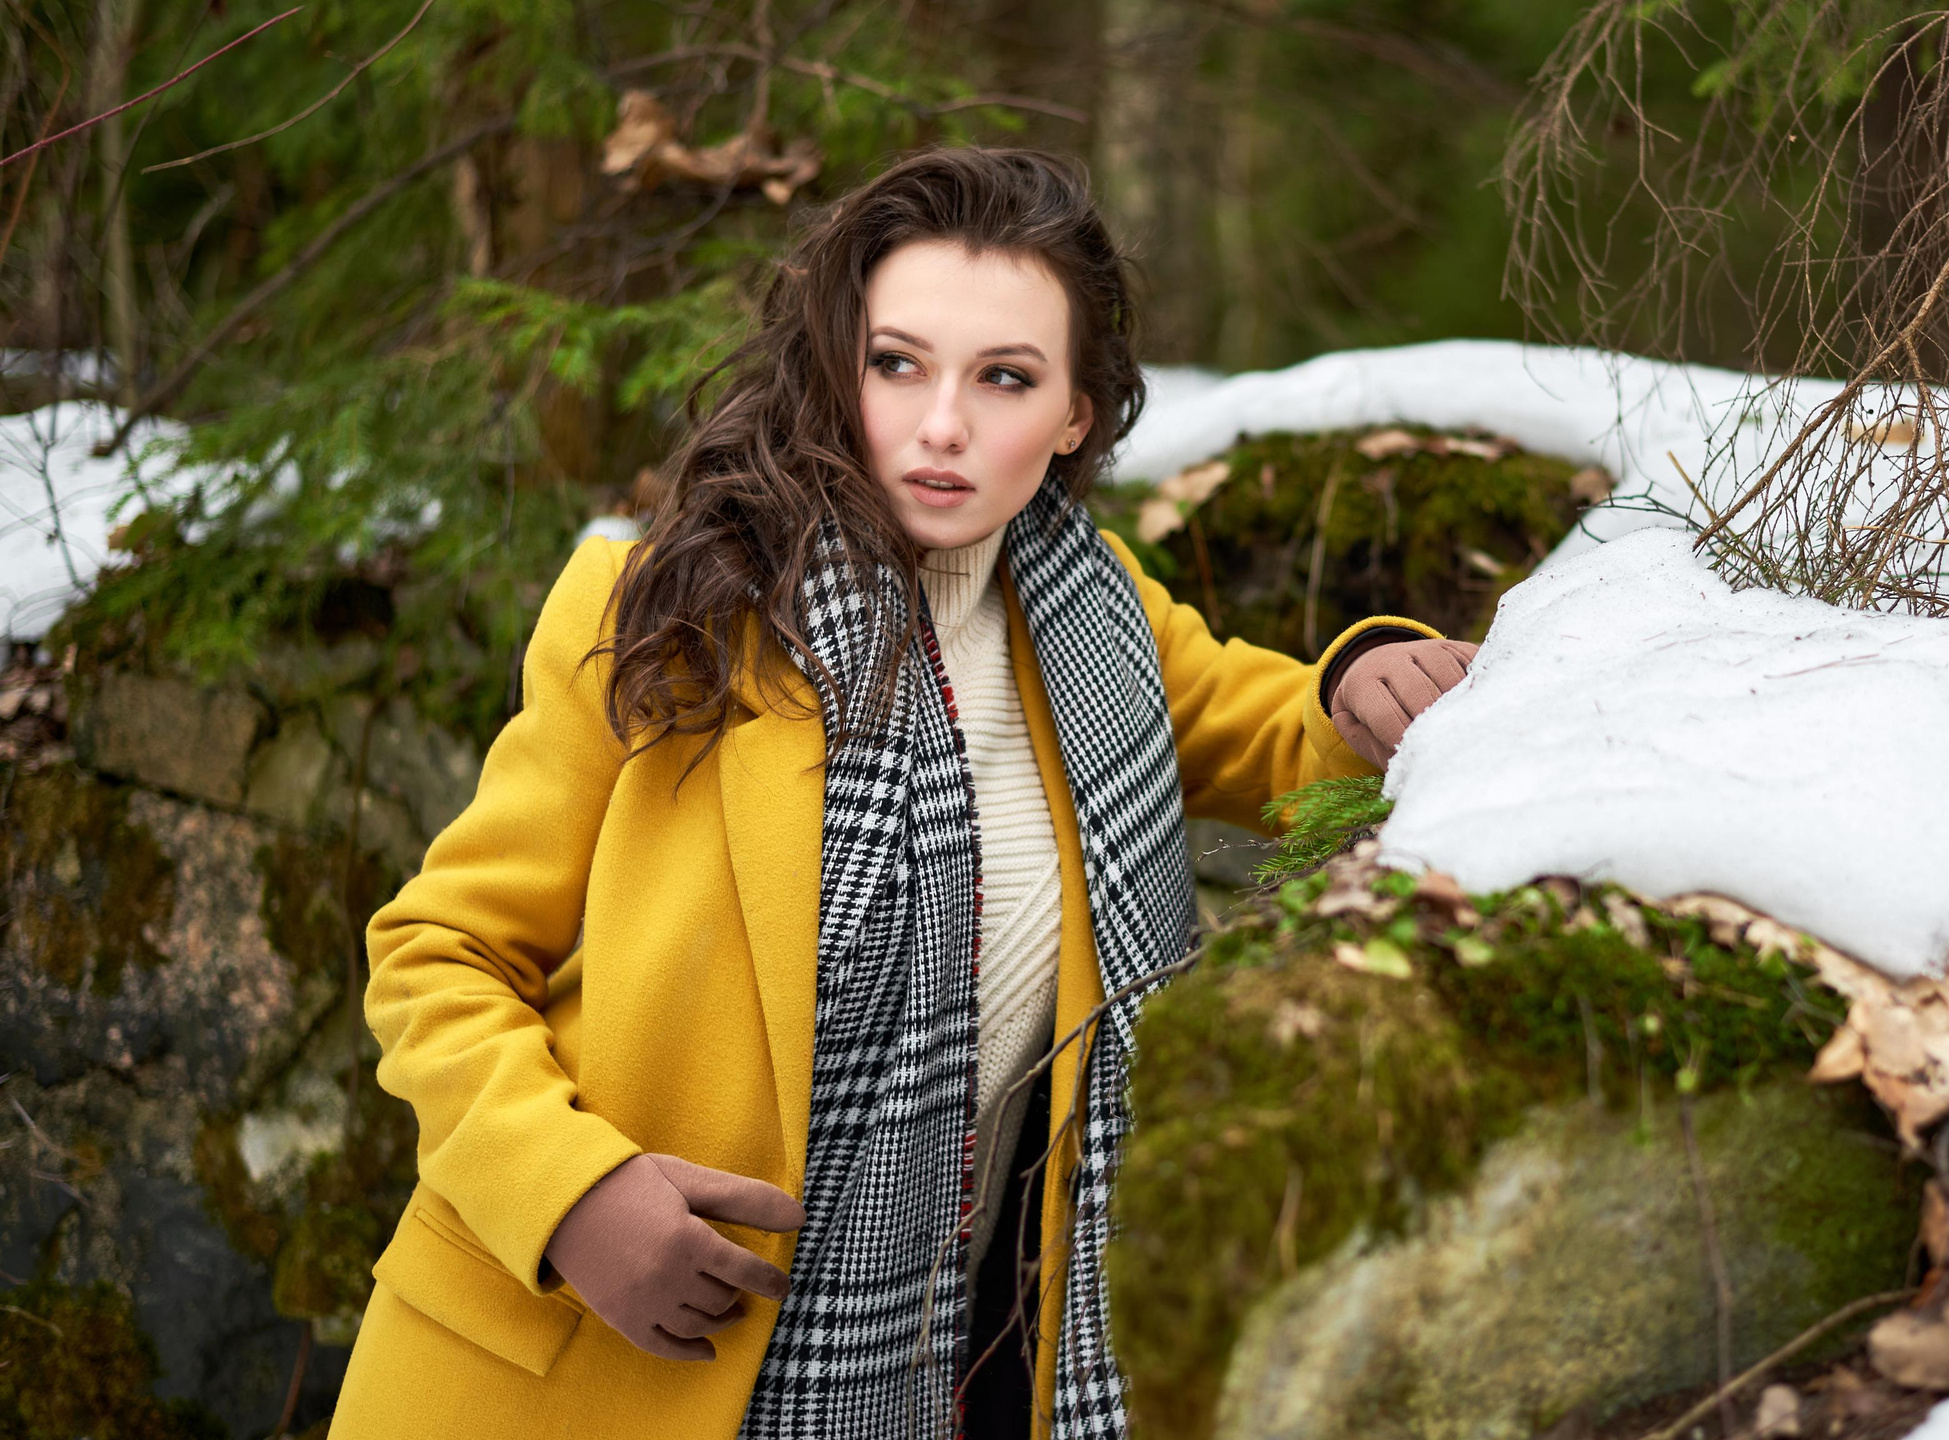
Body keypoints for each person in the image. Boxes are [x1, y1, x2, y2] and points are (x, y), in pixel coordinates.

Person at [330, 147, 1477, 1440]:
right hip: (591, 1366)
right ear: (837, 370)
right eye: (898, 364)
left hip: (956, 1368)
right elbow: (438, 954)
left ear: (1076, 415)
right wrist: (569, 1195)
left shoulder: (1099, 633)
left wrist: (1372, 673)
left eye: (1004, 378)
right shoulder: (667, 615)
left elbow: (1288, 730)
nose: (943, 426)